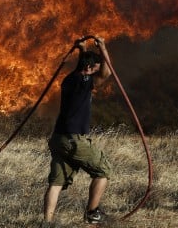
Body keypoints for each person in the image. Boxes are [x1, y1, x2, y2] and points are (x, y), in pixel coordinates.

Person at [43, 36, 113, 225]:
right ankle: (92, 213)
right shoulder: (84, 81)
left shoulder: (69, 79)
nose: (97, 73)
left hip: (58, 139)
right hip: (75, 140)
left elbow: (83, 67)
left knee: (56, 183)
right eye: (95, 69)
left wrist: (83, 49)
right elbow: (106, 73)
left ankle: (46, 223)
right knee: (104, 171)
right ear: (89, 69)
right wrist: (103, 48)